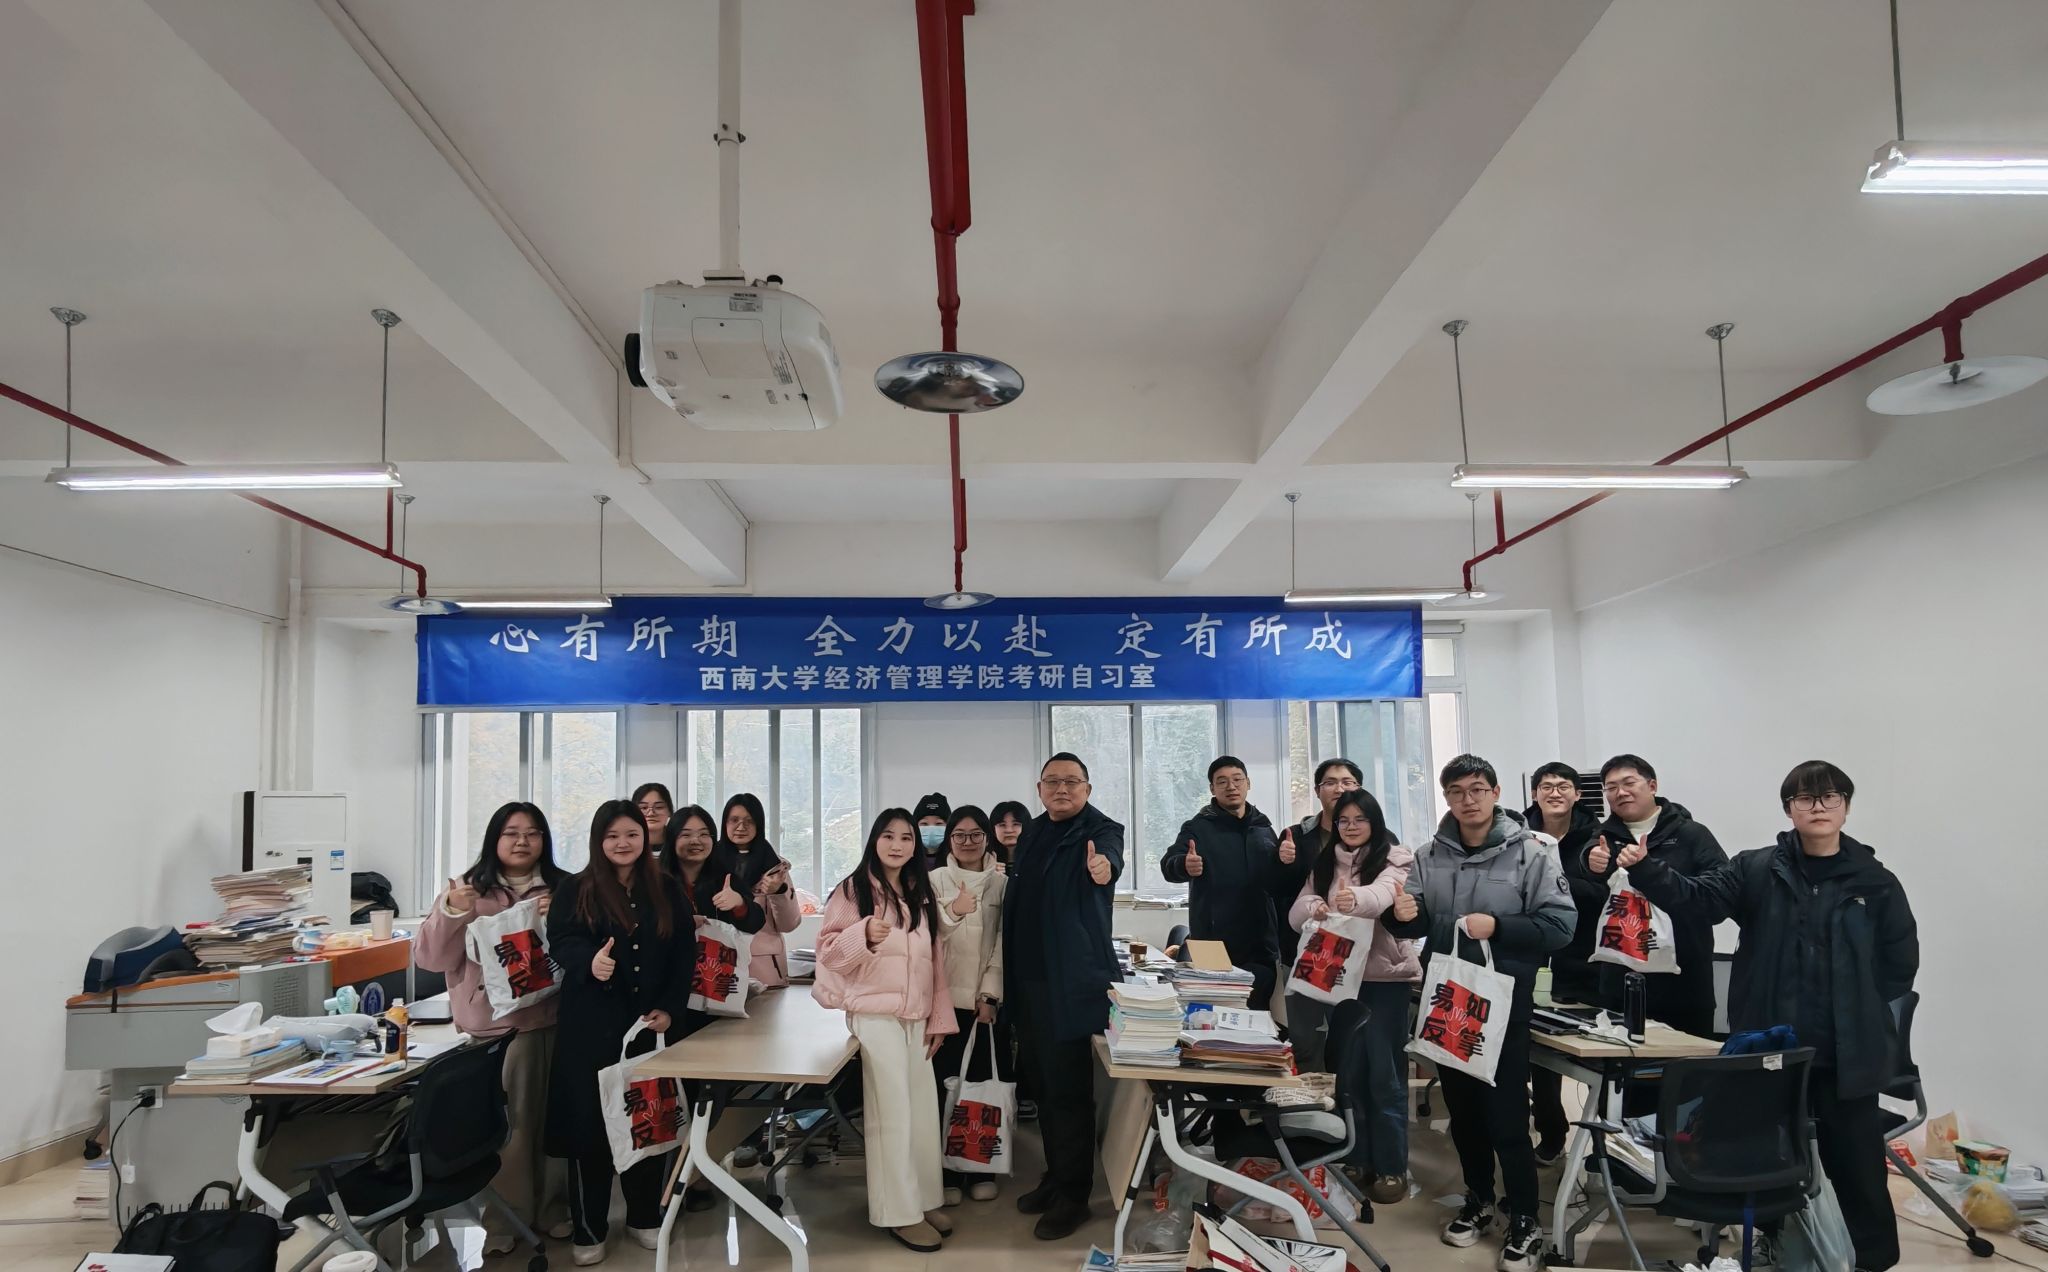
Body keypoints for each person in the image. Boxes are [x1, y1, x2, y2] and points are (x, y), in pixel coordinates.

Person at [1625, 761, 1917, 1272]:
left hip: (1845, 1052)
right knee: (1768, 1157)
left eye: (1830, 797)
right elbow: (1701, 902)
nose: (1819, 807)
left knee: (1857, 1166)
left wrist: (1858, 1005)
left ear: (1846, 806)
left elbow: (1899, 962)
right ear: (1789, 809)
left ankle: (1871, 1260)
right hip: (1771, 1049)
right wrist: (1649, 870)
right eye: (1806, 798)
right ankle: (1777, 1245)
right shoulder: (1756, 869)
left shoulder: (1875, 882)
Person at [1385, 755, 1573, 1272]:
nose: (1467, 800)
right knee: (1463, 1112)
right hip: (1448, 999)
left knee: (1506, 1114)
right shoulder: (1429, 855)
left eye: (1477, 789)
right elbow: (1414, 920)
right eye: (1456, 792)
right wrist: (1402, 916)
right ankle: (1479, 1200)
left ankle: (1526, 1218)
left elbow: (1561, 927)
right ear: (1446, 797)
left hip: (1503, 999)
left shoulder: (1532, 852)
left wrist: (1500, 927)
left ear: (1495, 793)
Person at [414, 802, 571, 1253]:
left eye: (533, 832)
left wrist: (562, 914)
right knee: (509, 1131)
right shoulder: (468, 891)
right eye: (511, 833)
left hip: (555, 1020)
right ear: (494, 839)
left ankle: (556, 1209)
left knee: (555, 1124)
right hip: (497, 1031)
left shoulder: (563, 887)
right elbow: (431, 959)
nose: (522, 841)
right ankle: (506, 1222)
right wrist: (452, 911)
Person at [545, 801, 696, 1266]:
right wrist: (589, 962)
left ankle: (644, 1216)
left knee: (647, 1120)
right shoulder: (575, 888)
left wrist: (670, 1009)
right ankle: (589, 1226)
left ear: (645, 837)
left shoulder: (666, 888)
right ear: (598, 841)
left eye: (631, 834)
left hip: (647, 1027)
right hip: (589, 1028)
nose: (622, 843)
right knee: (588, 1128)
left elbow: (684, 952)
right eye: (612, 836)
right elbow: (561, 940)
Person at [814, 809, 959, 1254]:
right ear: (874, 840)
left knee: (921, 1113)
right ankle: (898, 1213)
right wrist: (864, 935)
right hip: (874, 1015)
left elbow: (934, 961)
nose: (898, 845)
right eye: (889, 836)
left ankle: (923, 1200)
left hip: (915, 1015)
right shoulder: (853, 889)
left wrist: (939, 1018)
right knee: (891, 1115)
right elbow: (828, 952)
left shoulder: (919, 892)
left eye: (906, 837)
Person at [1003, 752, 1123, 1240]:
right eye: (1052, 781)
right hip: (1029, 978)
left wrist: (1103, 868)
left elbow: (1110, 862)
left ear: (1087, 789)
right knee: (1043, 1087)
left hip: (1070, 981)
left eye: (1072, 781)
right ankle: (1055, 1177)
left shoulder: (1103, 830)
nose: (1062, 789)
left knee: (1069, 1091)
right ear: (1039, 789)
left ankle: (1074, 1194)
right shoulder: (1032, 832)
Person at [1284, 788, 1418, 1204]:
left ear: (1374, 822)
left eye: (1360, 819)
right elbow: (1295, 914)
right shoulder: (1326, 861)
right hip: (1341, 981)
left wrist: (1352, 898)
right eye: (1344, 820)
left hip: (1384, 981)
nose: (1352, 826)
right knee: (1349, 1073)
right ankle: (1356, 1156)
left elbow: (1382, 896)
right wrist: (1314, 906)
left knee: (1385, 1076)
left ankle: (1392, 1166)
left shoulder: (1396, 857)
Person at [1582, 755, 1727, 1040]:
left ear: (1652, 786)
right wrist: (1590, 863)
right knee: (1618, 1065)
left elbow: (1717, 900)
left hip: (1683, 986)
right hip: (1619, 987)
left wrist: (1648, 870)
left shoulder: (1691, 835)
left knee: (1686, 1064)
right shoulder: (1602, 837)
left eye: (1628, 783)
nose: (1620, 792)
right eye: (1611, 787)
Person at [928, 804, 1009, 1206]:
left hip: (981, 1003)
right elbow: (927, 939)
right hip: (940, 1001)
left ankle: (979, 1167)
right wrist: (953, 911)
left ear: (987, 838)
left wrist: (989, 995)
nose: (967, 842)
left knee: (979, 1090)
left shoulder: (1000, 884)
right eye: (959, 835)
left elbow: (1002, 942)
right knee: (941, 1089)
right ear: (950, 840)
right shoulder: (933, 881)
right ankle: (945, 1173)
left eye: (975, 834)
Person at [1524, 761, 1605, 1163]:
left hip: (1585, 956)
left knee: (1596, 1052)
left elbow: (1604, 895)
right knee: (1540, 1051)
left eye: (1562, 786)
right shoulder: (1518, 835)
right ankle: (1551, 1131)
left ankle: (1604, 1145)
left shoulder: (1597, 837)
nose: (1554, 793)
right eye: (1546, 786)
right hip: (1532, 952)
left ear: (1577, 794)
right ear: (1535, 794)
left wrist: (1554, 884)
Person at [1162, 756, 1281, 1010]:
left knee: (1257, 1013)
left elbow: (1277, 881)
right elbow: (1168, 864)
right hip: (1213, 943)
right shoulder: (1198, 827)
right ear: (1212, 789)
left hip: (1260, 944)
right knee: (1213, 1015)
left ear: (1248, 783)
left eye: (1237, 779)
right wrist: (1184, 865)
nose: (1231, 786)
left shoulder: (1263, 827)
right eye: (1222, 781)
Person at [1272, 759, 1363, 970]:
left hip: (1363, 950)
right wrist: (1282, 863)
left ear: (1359, 789)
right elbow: (1276, 891)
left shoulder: (1381, 838)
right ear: (1317, 791)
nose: (1339, 789)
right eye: (1330, 783)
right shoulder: (1295, 836)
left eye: (1347, 782)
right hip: (1305, 948)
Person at [717, 793, 801, 988]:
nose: (741, 827)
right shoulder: (710, 863)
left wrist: (778, 891)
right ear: (724, 823)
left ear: (759, 825)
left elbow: (789, 924)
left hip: (764, 968)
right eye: (734, 820)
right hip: (718, 963)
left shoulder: (775, 868)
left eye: (749, 821)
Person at [913, 792, 952, 867]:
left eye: (939, 823)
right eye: (924, 823)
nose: (931, 829)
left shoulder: (957, 860)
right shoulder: (907, 860)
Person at [631, 783, 674, 851]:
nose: (651, 813)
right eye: (644, 808)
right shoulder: (626, 844)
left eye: (659, 807)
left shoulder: (679, 842)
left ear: (669, 811)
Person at [989, 800, 1030, 868]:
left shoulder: (1039, 857)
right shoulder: (985, 860)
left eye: (1016, 824)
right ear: (993, 829)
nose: (1009, 830)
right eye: (1002, 825)